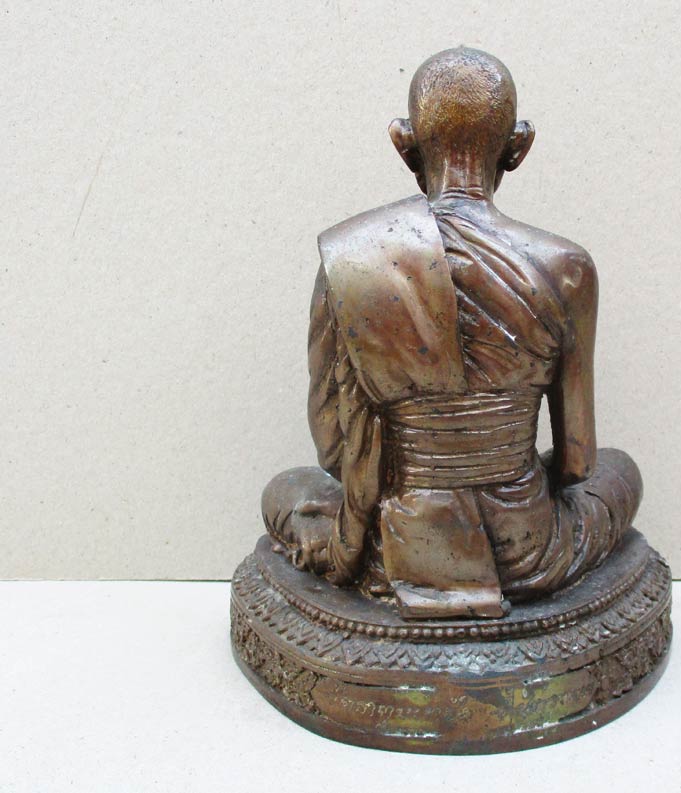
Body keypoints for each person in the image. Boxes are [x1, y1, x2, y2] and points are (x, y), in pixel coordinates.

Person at [262, 47, 642, 619]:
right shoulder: (567, 267)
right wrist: (495, 468)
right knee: (620, 470)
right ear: (519, 145)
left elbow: (334, 449)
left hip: (393, 543)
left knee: (286, 489)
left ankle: (412, 562)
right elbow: (576, 464)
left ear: (403, 142)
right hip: (528, 551)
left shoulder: (354, 258)